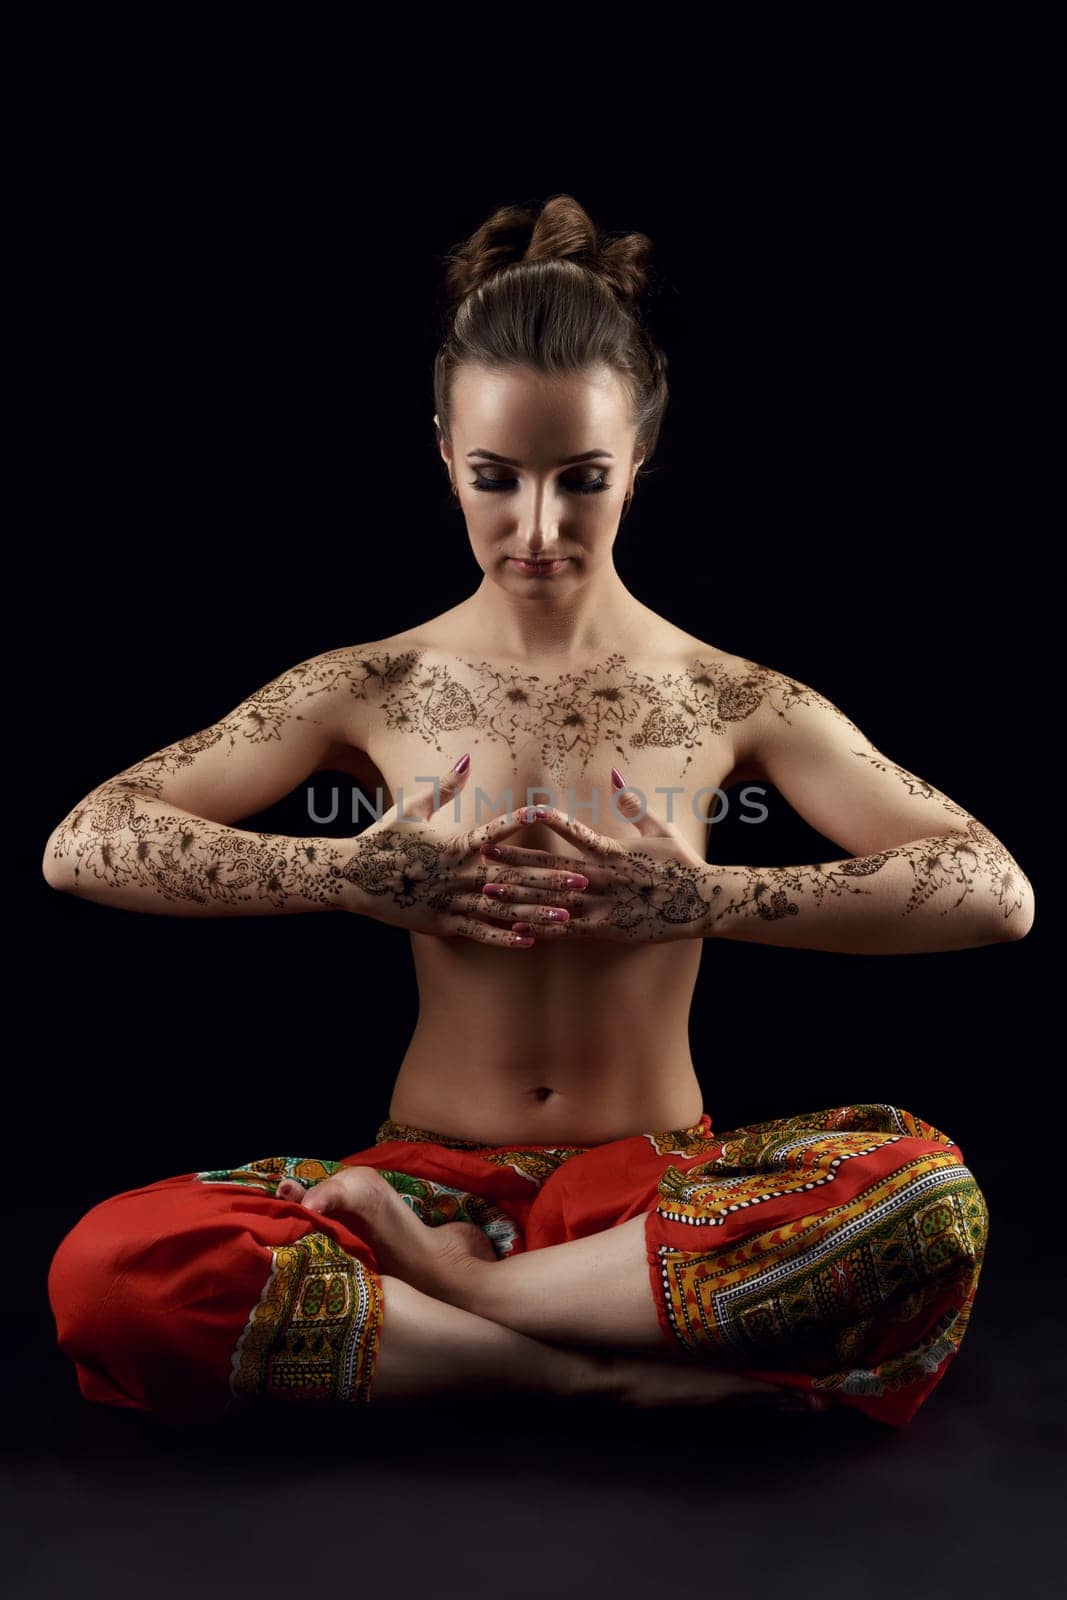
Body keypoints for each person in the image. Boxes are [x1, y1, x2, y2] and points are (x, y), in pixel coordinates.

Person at [42, 194, 1031, 1434]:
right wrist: (346, 874)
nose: (540, 527)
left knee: (924, 1200)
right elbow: (84, 840)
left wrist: (705, 897)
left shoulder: (730, 696)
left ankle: (468, 1306)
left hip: (659, 1195)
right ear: (444, 454)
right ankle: (578, 1364)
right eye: (497, 479)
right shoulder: (370, 684)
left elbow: (992, 888)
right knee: (111, 1269)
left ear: (640, 462)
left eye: (583, 481)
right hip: (422, 1182)